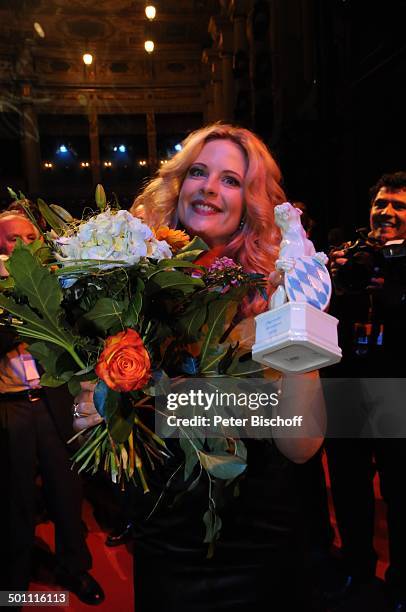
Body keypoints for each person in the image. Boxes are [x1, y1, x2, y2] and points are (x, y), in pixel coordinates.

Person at [76, 123, 327, 611]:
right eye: (198, 172)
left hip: (256, 540)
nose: (210, 187)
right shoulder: (125, 284)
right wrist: (95, 405)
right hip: (163, 536)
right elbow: (102, 421)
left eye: (231, 180)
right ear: (178, 186)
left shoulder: (276, 291)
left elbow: (300, 444)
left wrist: (300, 320)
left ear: (250, 203)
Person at [0, 211, 105, 605]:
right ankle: (13, 583)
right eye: (14, 240)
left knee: (67, 491)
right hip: (11, 406)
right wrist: (21, 306)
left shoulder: (58, 283)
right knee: (16, 500)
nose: (25, 246)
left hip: (54, 403)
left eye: (31, 237)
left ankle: (75, 569)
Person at [326, 171, 406, 611]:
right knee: (349, 488)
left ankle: (400, 582)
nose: (387, 212)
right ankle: (356, 568)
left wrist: (395, 293)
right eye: (381, 204)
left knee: (399, 491)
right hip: (347, 384)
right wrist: (331, 278)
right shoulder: (349, 256)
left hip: (397, 387)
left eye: (398, 206)